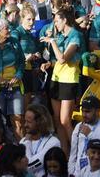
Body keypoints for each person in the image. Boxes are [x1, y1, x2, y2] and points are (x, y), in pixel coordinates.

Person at [41, 9, 83, 153]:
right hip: (56, 79)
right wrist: (48, 64)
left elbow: (63, 58)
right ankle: (65, 155)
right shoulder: (59, 36)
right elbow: (56, 61)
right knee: (57, 121)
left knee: (65, 120)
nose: (55, 25)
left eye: (57, 21)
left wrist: (52, 42)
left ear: (65, 20)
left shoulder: (75, 36)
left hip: (69, 80)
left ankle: (77, 153)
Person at [68, 97, 100, 175]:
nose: (84, 115)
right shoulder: (78, 126)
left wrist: (91, 135)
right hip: (79, 173)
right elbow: (73, 154)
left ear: (98, 111)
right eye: (83, 111)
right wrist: (71, 173)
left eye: (87, 111)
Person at [21, 104, 61, 177]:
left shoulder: (53, 142)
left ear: (40, 122)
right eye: (25, 121)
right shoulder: (23, 140)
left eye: (29, 122)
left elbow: (29, 166)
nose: (25, 125)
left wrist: (27, 143)